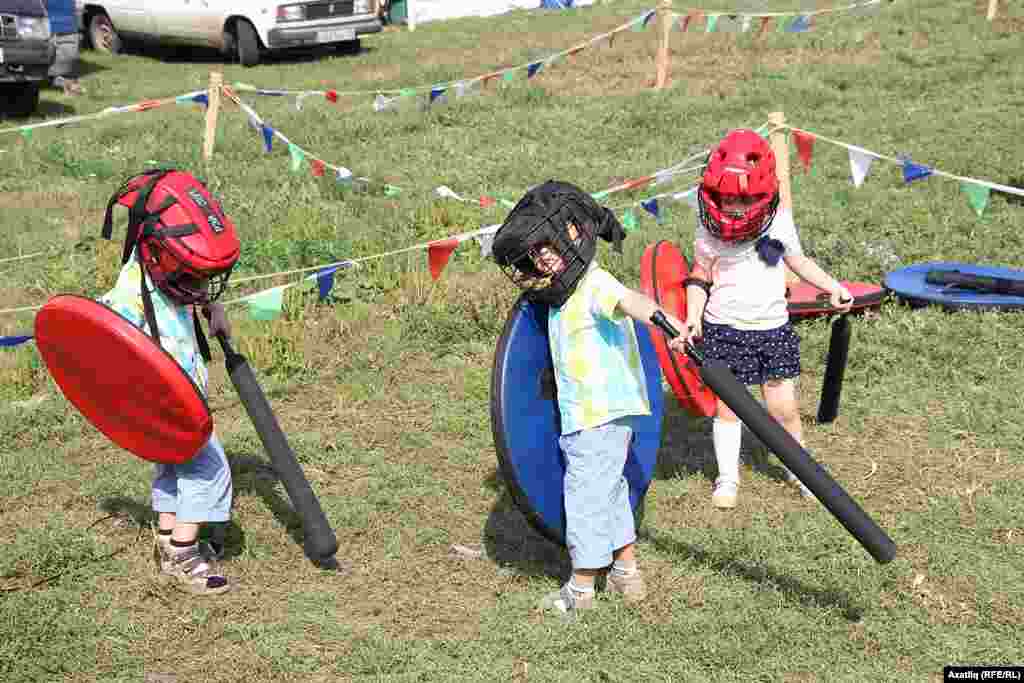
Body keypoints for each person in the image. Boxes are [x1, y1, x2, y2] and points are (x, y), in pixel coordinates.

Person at [491, 180, 687, 615]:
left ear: (574, 235)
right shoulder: (560, 297)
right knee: (611, 488)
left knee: (584, 496)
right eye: (534, 251)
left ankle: (580, 589)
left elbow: (630, 300)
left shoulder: (593, 284)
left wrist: (665, 321)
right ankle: (625, 571)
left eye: (547, 245)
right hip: (601, 412)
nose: (540, 256)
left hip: (596, 413)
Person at [678, 129, 852, 510]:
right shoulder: (709, 233)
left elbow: (797, 261)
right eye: (727, 197)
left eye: (744, 198)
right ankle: (727, 478)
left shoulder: (778, 225)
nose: (735, 207)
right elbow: (699, 276)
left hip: (772, 329)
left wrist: (832, 286)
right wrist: (693, 316)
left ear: (764, 192)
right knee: (729, 408)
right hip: (725, 330)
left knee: (783, 409)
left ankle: (802, 471)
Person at [98, 169, 241, 594]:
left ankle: (166, 542)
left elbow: (191, 282)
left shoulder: (169, 268)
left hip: (178, 392)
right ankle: (183, 554)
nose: (195, 280)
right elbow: (108, 329)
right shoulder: (132, 285)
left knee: (174, 467)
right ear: (160, 247)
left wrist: (212, 307)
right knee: (210, 468)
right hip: (165, 398)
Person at [45, 0, 85, 95]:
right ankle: (68, 83)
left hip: (64, 22)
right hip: (59, 22)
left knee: (67, 54)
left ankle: (69, 84)